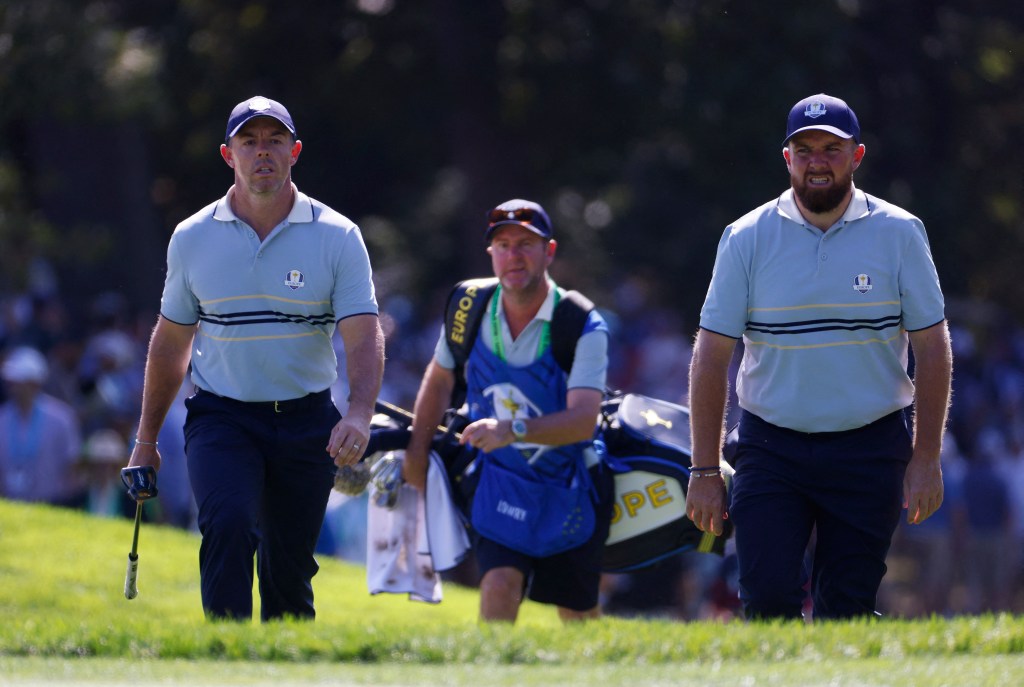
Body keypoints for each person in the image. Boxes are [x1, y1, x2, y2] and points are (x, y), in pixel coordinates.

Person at [685, 94, 953, 620]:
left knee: (846, 609)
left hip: (870, 447)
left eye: (832, 148)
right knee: (765, 598)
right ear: (788, 159)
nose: (817, 160)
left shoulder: (900, 232)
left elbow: (933, 349)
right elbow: (711, 357)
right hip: (770, 446)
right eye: (804, 149)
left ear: (857, 155)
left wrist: (926, 457)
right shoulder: (745, 238)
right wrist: (703, 469)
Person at [126, 96, 384, 622]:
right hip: (223, 416)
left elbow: (362, 334)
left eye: (274, 140)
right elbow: (171, 344)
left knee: (288, 571)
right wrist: (146, 442)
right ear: (228, 154)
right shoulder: (192, 237)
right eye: (249, 141)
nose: (262, 152)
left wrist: (359, 412)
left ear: (295, 151)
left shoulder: (338, 236)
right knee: (227, 525)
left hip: (307, 419)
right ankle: (227, 665)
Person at [401, 199, 612, 623]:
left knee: (577, 615)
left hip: (569, 484)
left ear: (549, 251)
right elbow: (440, 377)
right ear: (491, 253)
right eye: (502, 244)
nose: (513, 256)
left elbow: (582, 421)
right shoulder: (469, 305)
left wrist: (509, 430)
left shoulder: (581, 323)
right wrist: (416, 451)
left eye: (525, 244)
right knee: (498, 585)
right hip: (499, 481)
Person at [0, 346, 84, 506]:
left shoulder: (62, 418)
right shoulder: (2, 418)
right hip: (8, 504)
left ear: (34, 383)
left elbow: (73, 465)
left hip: (52, 504)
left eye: (19, 382)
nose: (12, 387)